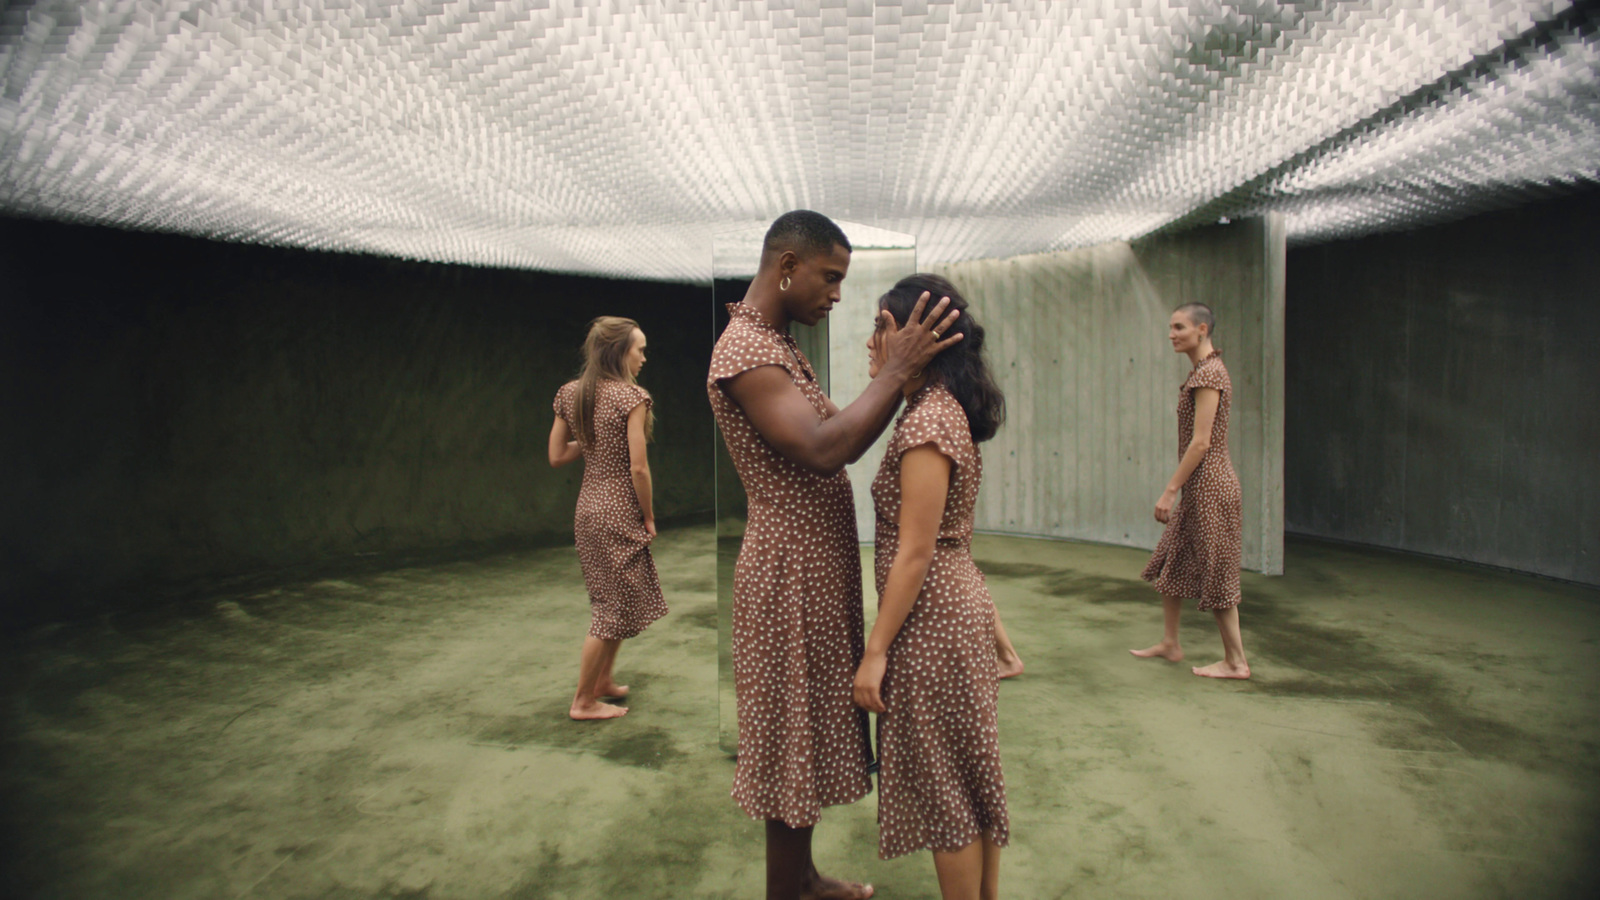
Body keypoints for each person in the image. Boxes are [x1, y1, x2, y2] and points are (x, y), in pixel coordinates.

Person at [707, 210, 961, 900]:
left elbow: (839, 431)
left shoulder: (777, 344)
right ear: (786, 266)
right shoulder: (745, 352)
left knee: (806, 733)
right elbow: (822, 448)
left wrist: (900, 382)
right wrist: (900, 370)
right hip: (787, 574)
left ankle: (803, 878)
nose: (838, 294)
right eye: (830, 277)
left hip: (810, 571)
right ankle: (787, 892)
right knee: (791, 735)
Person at [852, 274, 1009, 900]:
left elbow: (917, 552)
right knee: (968, 780)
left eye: (877, 327)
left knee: (946, 790)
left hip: (931, 621)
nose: (869, 342)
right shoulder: (942, 411)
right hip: (953, 608)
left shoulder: (926, 423)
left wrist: (875, 651)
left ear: (906, 334)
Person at [550, 316, 668, 720]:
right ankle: (583, 701)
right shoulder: (631, 397)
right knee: (610, 607)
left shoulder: (571, 393)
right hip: (618, 509)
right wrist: (648, 515)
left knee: (618, 598)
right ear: (620, 352)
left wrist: (591, 439)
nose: (644, 357)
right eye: (640, 349)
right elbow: (639, 468)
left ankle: (602, 682)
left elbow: (557, 455)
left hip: (588, 509)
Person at [1132, 302, 1250, 679]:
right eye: (1170, 327)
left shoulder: (1209, 374)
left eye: (1179, 327)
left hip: (1212, 487)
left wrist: (1169, 491)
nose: (1172, 334)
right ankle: (1170, 643)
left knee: (1217, 573)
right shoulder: (1203, 371)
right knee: (1174, 558)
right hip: (1201, 487)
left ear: (1202, 330)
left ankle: (1236, 662)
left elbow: (1200, 443)